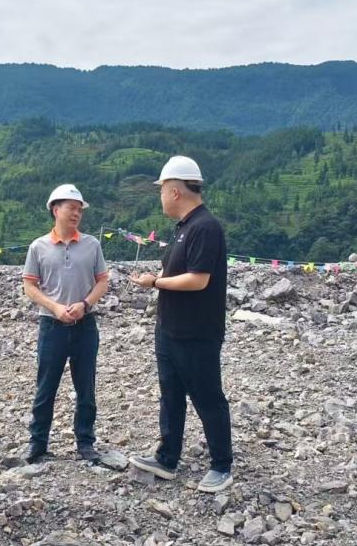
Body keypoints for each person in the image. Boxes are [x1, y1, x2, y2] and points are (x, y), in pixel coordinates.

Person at [128, 155, 233, 493]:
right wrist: (156, 277)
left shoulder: (205, 227)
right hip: (170, 328)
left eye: (161, 190)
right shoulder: (183, 228)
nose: (160, 197)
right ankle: (167, 458)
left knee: (207, 396)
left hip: (197, 332)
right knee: (170, 394)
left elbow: (198, 279)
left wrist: (155, 283)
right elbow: (175, 270)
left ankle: (222, 465)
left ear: (174, 191)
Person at [21, 184, 109, 464]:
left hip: (85, 325)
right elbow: (30, 286)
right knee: (46, 387)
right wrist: (55, 307)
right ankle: (37, 443)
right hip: (51, 326)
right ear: (55, 209)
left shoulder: (92, 245)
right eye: (72, 207)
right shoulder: (38, 247)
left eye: (80, 209)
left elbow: (102, 281)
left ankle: (86, 442)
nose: (77, 213)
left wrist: (85, 304)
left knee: (86, 387)